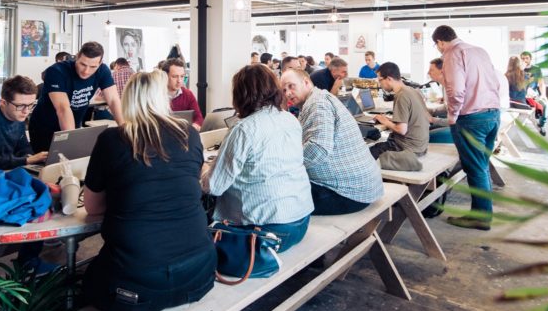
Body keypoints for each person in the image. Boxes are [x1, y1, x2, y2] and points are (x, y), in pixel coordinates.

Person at [81, 70, 215, 311]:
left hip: (134, 286)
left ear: (128, 100)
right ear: (162, 98)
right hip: (200, 273)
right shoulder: (189, 133)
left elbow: (93, 208)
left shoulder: (113, 139)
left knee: (81, 285)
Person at [203, 64, 313, 252]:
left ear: (240, 94)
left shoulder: (243, 129)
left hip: (265, 234)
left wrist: (204, 171)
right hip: (300, 221)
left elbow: (214, 186)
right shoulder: (290, 120)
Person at [280, 69, 384, 215]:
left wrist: (283, 165)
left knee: (275, 195)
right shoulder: (320, 98)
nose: (288, 93)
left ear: (306, 82)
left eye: (291, 86)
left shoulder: (317, 104)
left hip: (346, 194)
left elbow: (318, 150)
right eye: (283, 90)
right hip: (363, 187)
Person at [432, 25, 502, 231]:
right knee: (482, 165)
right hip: (493, 113)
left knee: (475, 168)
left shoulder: (452, 54)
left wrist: (452, 116)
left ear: (440, 42)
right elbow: (495, 82)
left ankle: (480, 217)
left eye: (437, 46)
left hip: (471, 118)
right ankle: (484, 211)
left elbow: (456, 90)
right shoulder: (479, 51)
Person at [29, 42, 124, 152]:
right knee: (48, 164)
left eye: (93, 67)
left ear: (100, 63)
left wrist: (124, 130)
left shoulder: (102, 70)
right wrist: (72, 143)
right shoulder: (57, 71)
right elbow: (63, 108)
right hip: (45, 127)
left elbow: (113, 100)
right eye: (83, 64)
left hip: (73, 124)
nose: (86, 71)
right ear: (77, 56)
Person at [370, 62, 431, 163]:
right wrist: (389, 120)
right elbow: (410, 119)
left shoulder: (401, 96)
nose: (380, 84)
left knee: (370, 152)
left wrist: (385, 122)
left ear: (389, 79)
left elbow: (402, 129)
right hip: (421, 147)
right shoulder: (412, 90)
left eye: (380, 80)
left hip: (408, 149)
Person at [163, 57, 204, 129]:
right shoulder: (156, 95)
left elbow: (199, 118)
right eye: (175, 76)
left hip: (184, 133)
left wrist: (193, 128)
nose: (179, 81)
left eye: (182, 76)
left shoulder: (188, 94)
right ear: (165, 76)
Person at [426, 58, 453, 144]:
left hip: (460, 127)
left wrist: (432, 119)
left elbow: (454, 121)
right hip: (453, 123)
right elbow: (446, 108)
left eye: (431, 70)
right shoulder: (444, 86)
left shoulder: (452, 89)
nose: (428, 73)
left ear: (442, 71)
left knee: (424, 136)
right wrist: (431, 111)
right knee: (425, 130)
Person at [521, 51, 548, 136]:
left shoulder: (536, 69)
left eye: (527, 58)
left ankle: (541, 124)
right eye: (522, 58)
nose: (525, 60)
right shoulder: (518, 69)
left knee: (545, 104)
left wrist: (543, 94)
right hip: (521, 95)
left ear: (530, 58)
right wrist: (520, 69)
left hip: (533, 94)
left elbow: (541, 83)